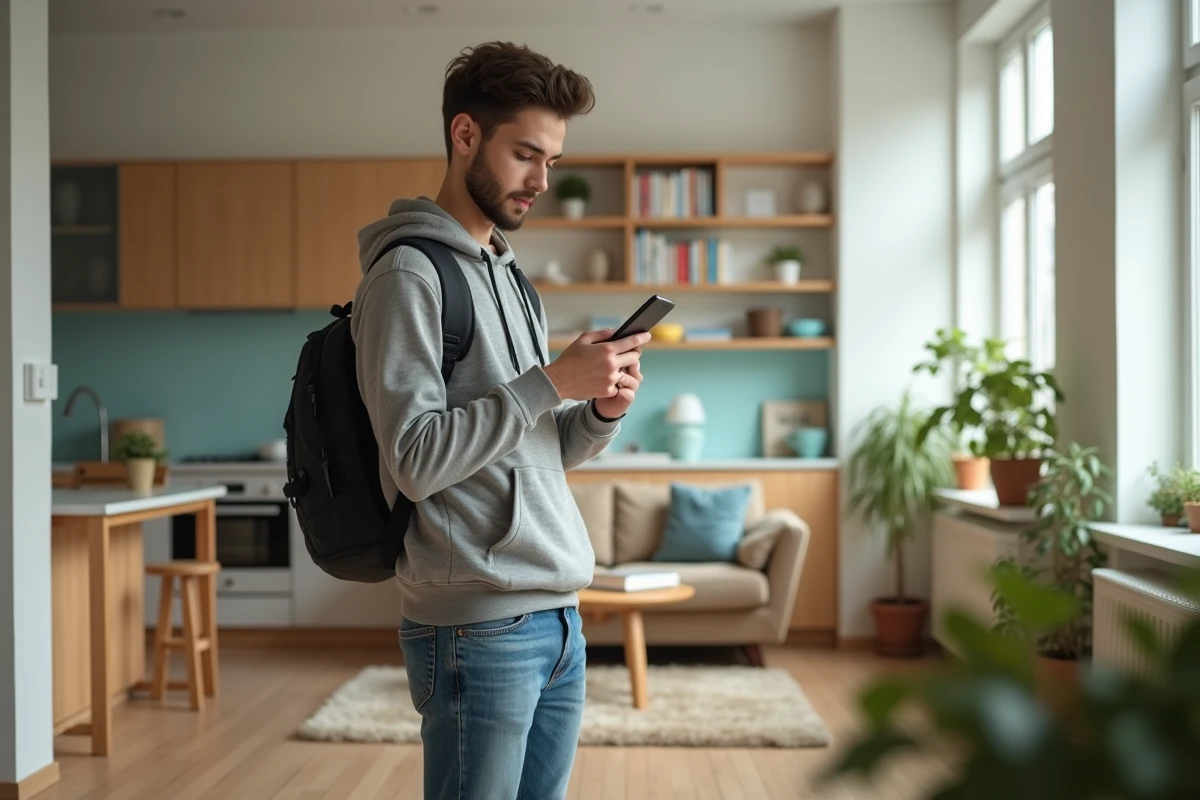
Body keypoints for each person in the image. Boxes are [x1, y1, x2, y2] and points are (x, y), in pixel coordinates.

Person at [350, 41, 649, 800]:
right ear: (465, 135)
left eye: (551, 160)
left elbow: (533, 450)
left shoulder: (513, 280)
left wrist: (599, 407)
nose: (542, 180)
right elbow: (414, 458)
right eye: (526, 155)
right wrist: (550, 380)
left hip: (557, 619)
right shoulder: (408, 275)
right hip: (478, 625)